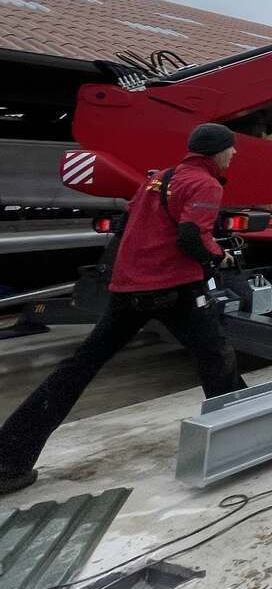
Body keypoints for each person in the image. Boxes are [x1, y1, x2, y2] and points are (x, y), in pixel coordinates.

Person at [0, 123, 247, 494]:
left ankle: (8, 461)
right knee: (215, 358)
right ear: (216, 152)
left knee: (78, 368)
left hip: (128, 287)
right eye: (232, 148)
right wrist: (220, 255)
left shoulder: (160, 179)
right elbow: (192, 236)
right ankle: (246, 438)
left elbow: (130, 222)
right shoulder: (204, 183)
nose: (235, 154)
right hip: (173, 288)